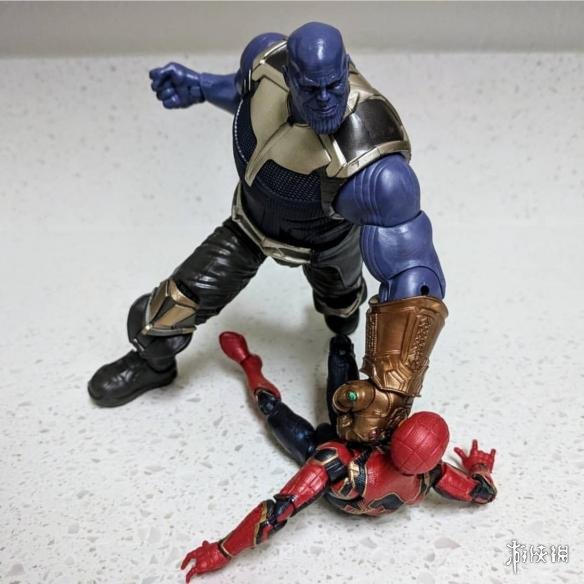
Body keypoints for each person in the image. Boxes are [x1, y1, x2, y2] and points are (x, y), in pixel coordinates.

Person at [89, 22, 447, 440]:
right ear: (292, 76)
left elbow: (413, 275)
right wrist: (201, 87)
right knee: (167, 310)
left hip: (329, 246)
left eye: (334, 86)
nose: (325, 100)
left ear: (346, 68)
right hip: (248, 226)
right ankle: (153, 366)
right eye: (311, 89)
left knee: (341, 312)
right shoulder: (266, 62)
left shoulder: (373, 162)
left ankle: (341, 311)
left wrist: (391, 390)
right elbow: (247, 98)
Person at [180, 332, 496, 580]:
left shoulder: (340, 460)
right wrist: (479, 465)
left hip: (323, 457)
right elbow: (483, 492)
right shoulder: (432, 475)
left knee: (271, 407)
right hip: (357, 449)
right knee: (341, 357)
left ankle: (250, 364)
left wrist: (223, 550)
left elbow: (277, 512)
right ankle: (338, 335)